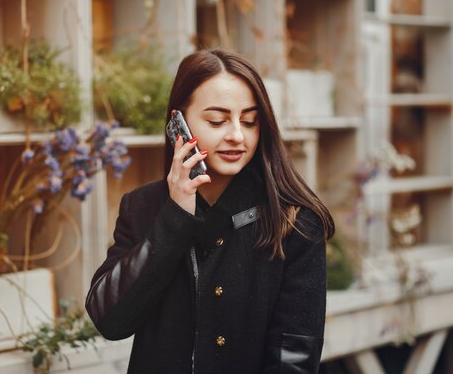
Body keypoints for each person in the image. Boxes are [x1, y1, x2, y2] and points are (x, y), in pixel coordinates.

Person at [86, 48, 334, 374]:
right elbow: (110, 320)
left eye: (249, 121)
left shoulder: (295, 221)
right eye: (217, 120)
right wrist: (175, 216)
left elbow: (294, 361)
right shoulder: (143, 206)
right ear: (179, 123)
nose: (236, 135)